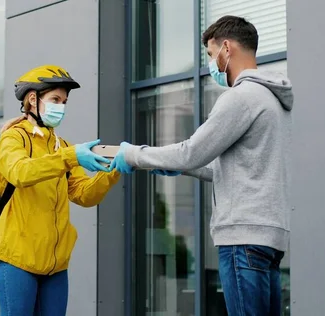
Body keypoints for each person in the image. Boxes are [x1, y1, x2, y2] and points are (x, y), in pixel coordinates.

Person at [111, 15, 294, 316]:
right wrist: (182, 167)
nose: (211, 64)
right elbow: (227, 167)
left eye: (210, 55)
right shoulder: (273, 101)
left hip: (241, 241)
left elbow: (191, 151)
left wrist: (133, 154)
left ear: (226, 48)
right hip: (268, 239)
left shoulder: (240, 97)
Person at [0, 64, 121, 316]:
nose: (61, 106)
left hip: (56, 266)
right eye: (55, 99)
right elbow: (20, 172)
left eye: (64, 101)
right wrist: (69, 157)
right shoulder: (13, 139)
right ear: (32, 99)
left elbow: (84, 194)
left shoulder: (61, 146)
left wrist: (114, 170)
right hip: (18, 261)